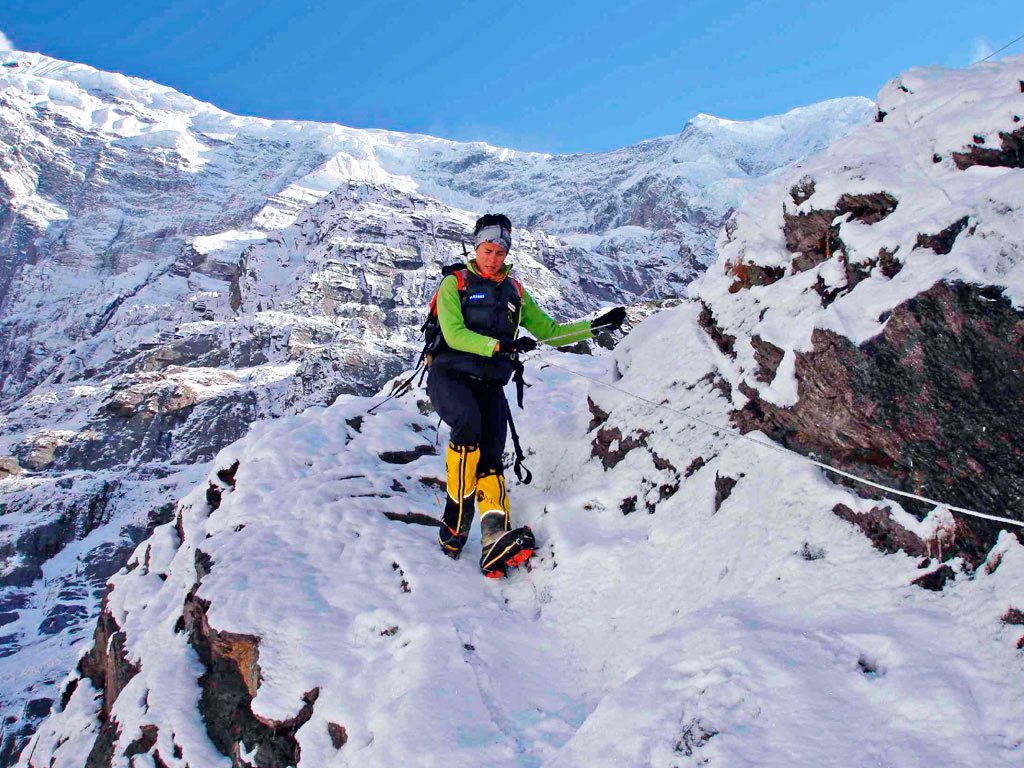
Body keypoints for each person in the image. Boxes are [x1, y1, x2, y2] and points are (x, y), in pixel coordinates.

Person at [427, 213, 627, 577]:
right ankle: (455, 524)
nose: (493, 259)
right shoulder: (453, 284)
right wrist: (500, 346)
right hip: (450, 375)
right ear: (476, 247)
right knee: (467, 425)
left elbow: (550, 331)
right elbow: (454, 335)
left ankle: (493, 540)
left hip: (490, 383)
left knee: (491, 458)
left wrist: (596, 326)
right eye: (487, 251)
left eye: (499, 253)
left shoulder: (515, 293)